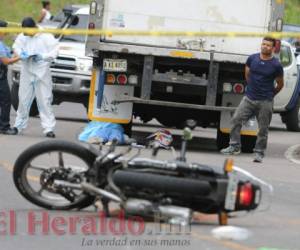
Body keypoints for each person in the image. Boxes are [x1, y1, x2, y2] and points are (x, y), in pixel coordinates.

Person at [221, 37, 284, 163]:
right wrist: (252, 90)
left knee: (263, 129)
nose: (265, 46)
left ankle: (259, 153)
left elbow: (280, 84)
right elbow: (247, 75)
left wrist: (270, 95)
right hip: (249, 98)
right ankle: (234, 146)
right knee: (236, 120)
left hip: (265, 101)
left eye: (268, 45)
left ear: (273, 48)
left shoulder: (276, 65)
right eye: (263, 44)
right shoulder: (252, 59)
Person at [11, 17, 59, 137]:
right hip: (27, 70)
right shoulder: (23, 35)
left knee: (44, 100)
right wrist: (21, 53)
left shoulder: (46, 36)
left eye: (27, 32)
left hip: (42, 72)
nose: (26, 34)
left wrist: (42, 56)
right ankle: (18, 126)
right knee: (23, 99)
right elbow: (16, 46)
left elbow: (55, 51)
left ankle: (48, 129)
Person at [0, 20, 22, 135]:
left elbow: (10, 52)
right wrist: (20, 57)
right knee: (5, 101)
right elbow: (6, 61)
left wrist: (17, 42)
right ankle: (4, 127)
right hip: (0, 77)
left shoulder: (2, 44)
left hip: (2, 76)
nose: (6, 33)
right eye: (5, 30)